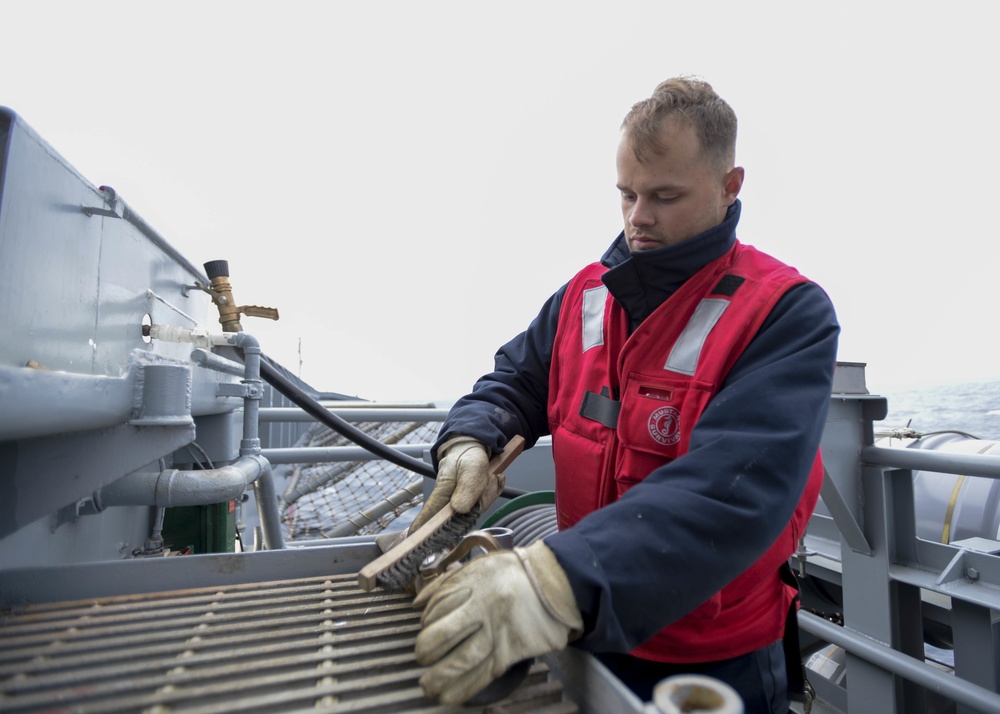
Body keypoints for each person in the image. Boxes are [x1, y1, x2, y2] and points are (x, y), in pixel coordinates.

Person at [408, 76, 839, 714]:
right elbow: (515, 379)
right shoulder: (584, 295)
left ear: (730, 186)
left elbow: (736, 486)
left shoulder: (784, 312)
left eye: (665, 195)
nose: (639, 217)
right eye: (627, 194)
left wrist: (557, 577)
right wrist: (473, 437)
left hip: (714, 659)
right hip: (586, 625)